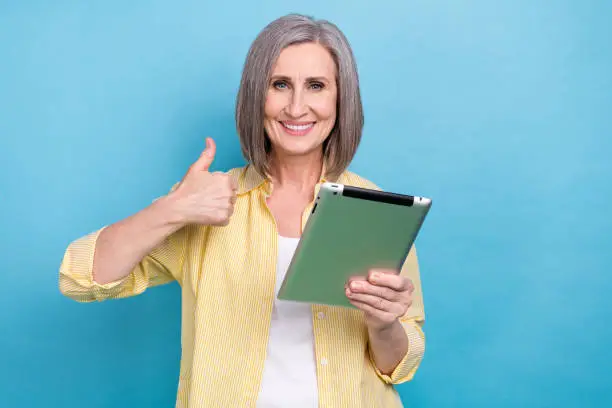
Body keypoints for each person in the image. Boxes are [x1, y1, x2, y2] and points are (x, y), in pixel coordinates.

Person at [59, 13, 426, 408]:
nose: (297, 107)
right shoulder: (205, 202)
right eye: (279, 85)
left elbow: (400, 366)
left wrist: (383, 321)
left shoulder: (374, 209)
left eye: (316, 86)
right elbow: (80, 279)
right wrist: (172, 209)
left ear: (340, 98)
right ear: (256, 95)